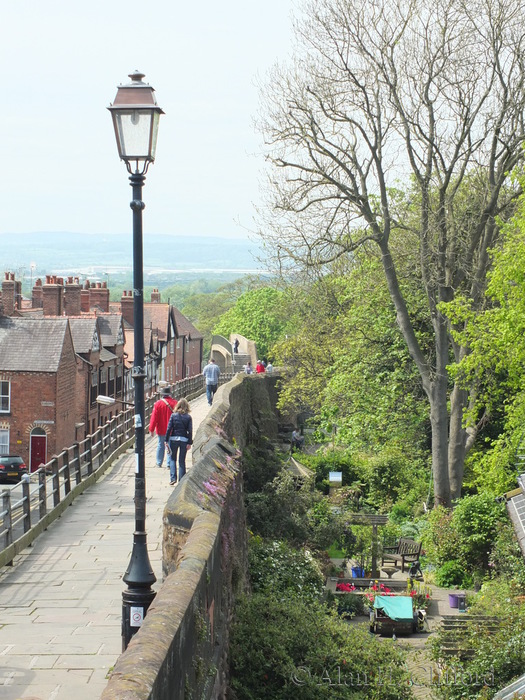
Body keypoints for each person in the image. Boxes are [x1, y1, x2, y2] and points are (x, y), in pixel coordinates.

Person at [165, 398, 193, 485]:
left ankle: (173, 478)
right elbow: (190, 430)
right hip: (184, 440)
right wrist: (189, 442)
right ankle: (181, 480)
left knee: (173, 459)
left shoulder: (173, 416)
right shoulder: (188, 417)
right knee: (182, 461)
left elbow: (169, 428)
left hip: (173, 439)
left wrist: (166, 440)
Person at [148, 386, 177, 468]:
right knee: (170, 445)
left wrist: (151, 429)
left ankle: (159, 462)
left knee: (161, 444)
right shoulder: (175, 403)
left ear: (162, 395)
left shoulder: (158, 404)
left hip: (161, 428)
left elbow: (154, 417)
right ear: (169, 394)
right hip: (172, 429)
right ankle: (169, 463)